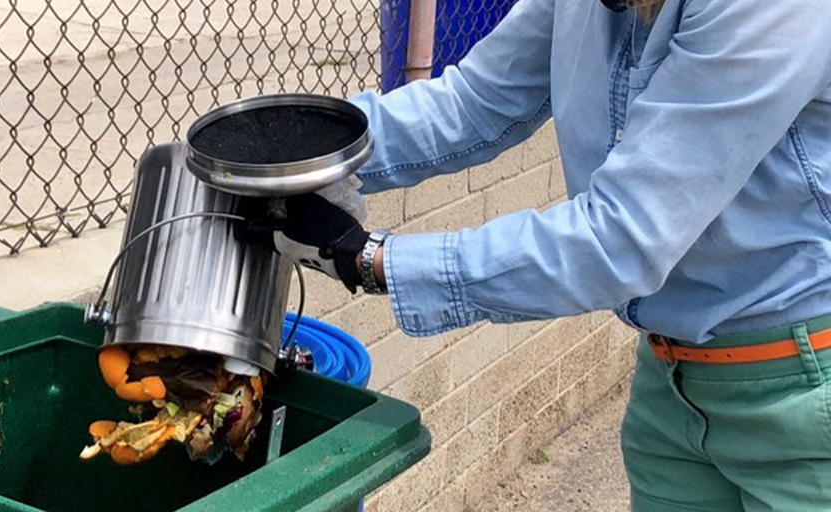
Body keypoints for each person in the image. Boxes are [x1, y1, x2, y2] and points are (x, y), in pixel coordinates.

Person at [265, 0, 831, 510]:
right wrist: (290, 152)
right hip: (670, 382)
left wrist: (372, 258)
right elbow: (476, 101)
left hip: (801, 391)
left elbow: (622, 237)